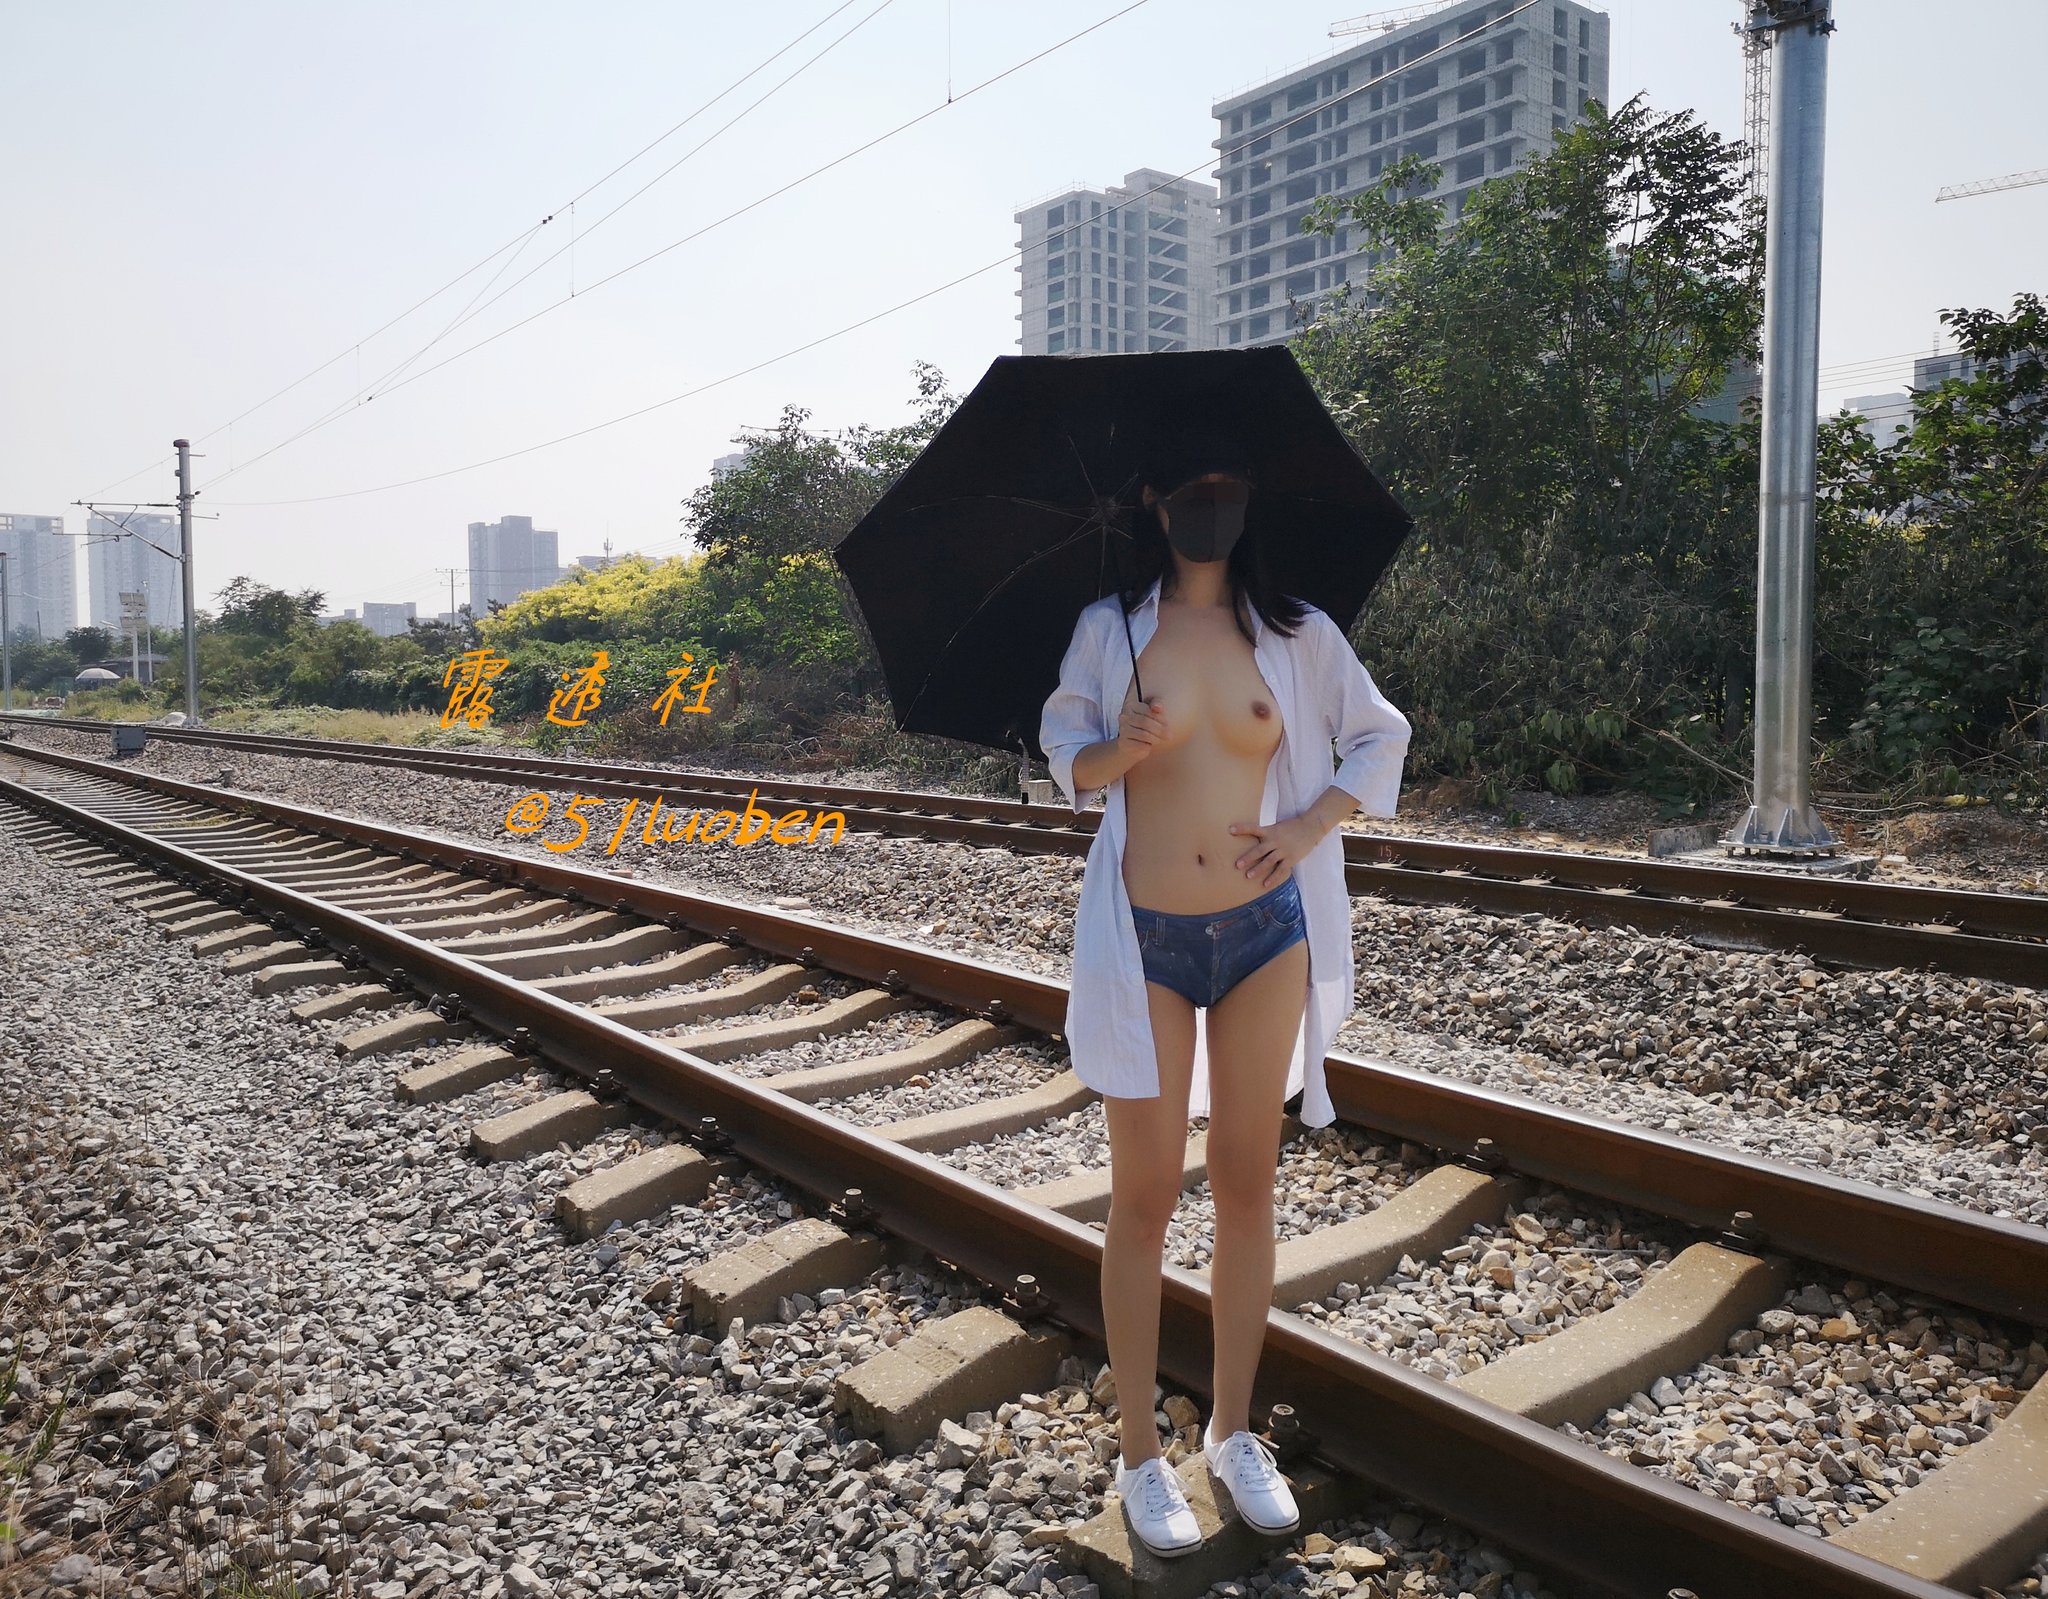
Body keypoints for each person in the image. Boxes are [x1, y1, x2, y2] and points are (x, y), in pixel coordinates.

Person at [1038, 463, 1411, 1558]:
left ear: (1248, 503)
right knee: (1145, 1193)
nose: (1209, 507)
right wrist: (1120, 749)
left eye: (1227, 487)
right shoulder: (1109, 630)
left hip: (1265, 936)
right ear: (1153, 505)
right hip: (1145, 938)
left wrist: (1304, 829)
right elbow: (1066, 759)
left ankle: (1234, 1433)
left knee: (1247, 1182)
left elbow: (1378, 735)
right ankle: (1138, 1453)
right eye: (1188, 489)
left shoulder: (1296, 631)